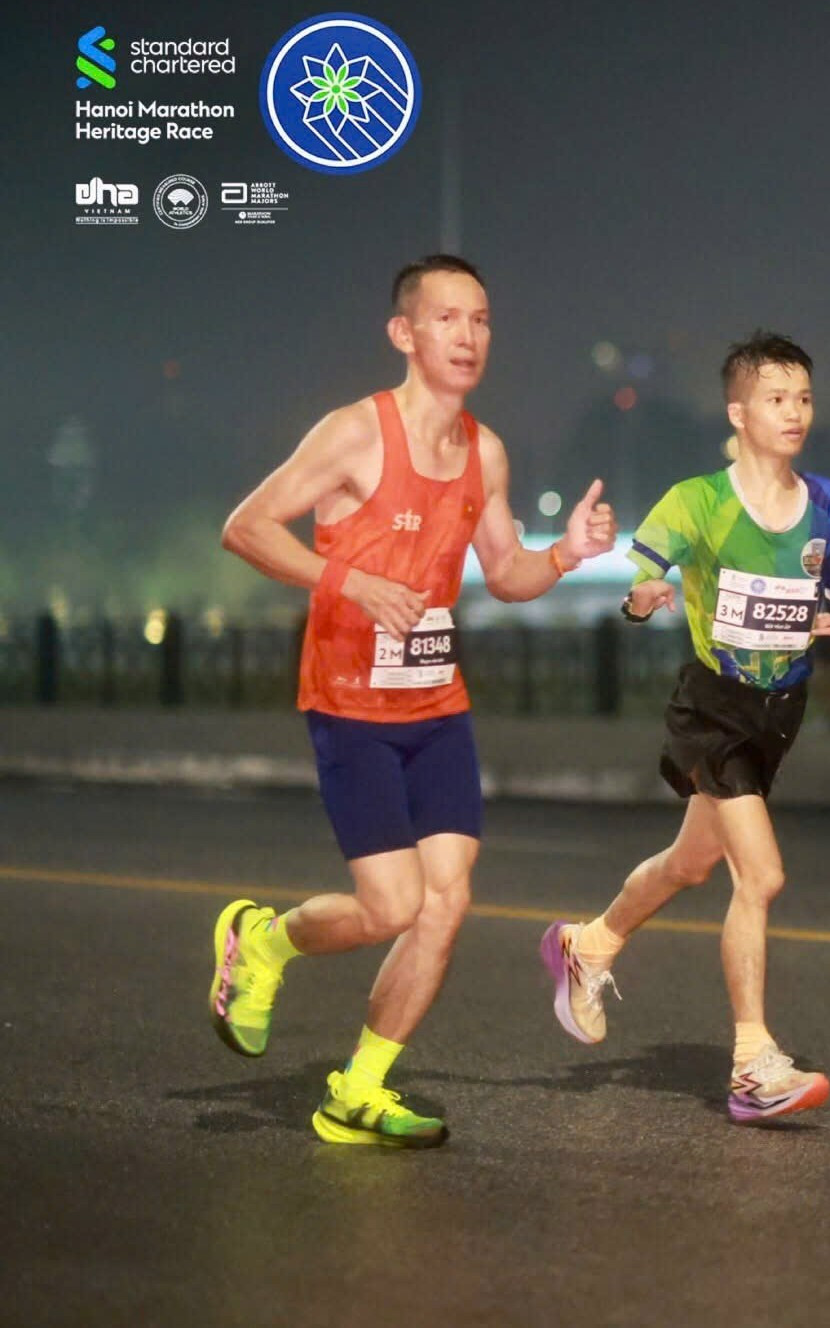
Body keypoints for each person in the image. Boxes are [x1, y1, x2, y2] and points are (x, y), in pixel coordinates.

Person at [210, 254, 617, 1147]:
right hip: (349, 703)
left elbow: (504, 573)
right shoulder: (354, 434)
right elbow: (247, 527)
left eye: (480, 321)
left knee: (446, 903)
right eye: (446, 319)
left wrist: (566, 554)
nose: (467, 337)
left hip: (436, 707)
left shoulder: (486, 450)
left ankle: (356, 1089)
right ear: (405, 333)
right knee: (391, 907)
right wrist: (348, 581)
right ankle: (264, 943)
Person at [539, 331, 830, 1123]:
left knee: (689, 864)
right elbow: (643, 580)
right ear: (738, 411)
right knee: (759, 876)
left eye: (802, 398)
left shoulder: (829, 506)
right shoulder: (697, 501)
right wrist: (641, 599)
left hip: (777, 716)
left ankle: (588, 946)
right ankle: (752, 1064)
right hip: (713, 708)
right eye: (774, 398)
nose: (792, 412)